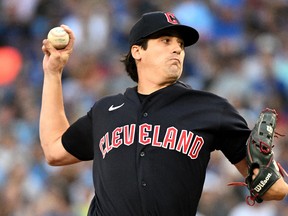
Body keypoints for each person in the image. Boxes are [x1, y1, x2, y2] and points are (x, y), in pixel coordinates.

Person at [40, 11, 288, 216]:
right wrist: (53, 73)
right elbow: (54, 151)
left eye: (180, 44)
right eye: (165, 41)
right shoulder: (106, 110)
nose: (177, 49)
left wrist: (264, 176)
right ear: (138, 51)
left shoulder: (211, 108)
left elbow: (275, 190)